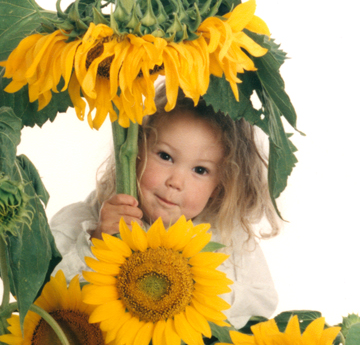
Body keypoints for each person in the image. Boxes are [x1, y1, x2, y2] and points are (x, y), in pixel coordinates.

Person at [50, 82, 280, 329]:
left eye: (200, 170)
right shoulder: (90, 219)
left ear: (220, 186)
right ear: (136, 149)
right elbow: (46, 298)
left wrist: (196, 293)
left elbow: (260, 305)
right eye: (165, 157)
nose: (176, 182)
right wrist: (96, 243)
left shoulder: (228, 238)